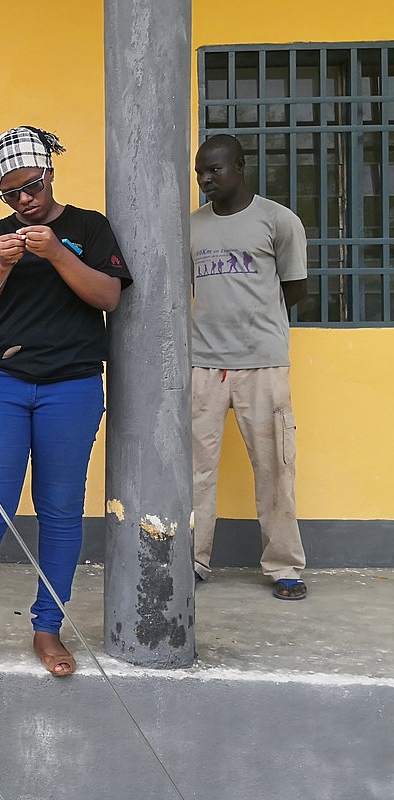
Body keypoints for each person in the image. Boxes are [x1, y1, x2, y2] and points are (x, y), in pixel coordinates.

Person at [0, 127, 131, 677]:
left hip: (71, 385)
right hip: (1, 382)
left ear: (50, 173)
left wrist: (55, 253)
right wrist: (1, 263)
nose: (23, 200)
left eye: (31, 186)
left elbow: (108, 296)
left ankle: (48, 628)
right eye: (10, 193)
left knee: (60, 510)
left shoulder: (87, 228)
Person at [190, 133, 309, 600]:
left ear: (240, 167)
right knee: (196, 471)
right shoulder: (192, 226)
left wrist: (256, 324)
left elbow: (294, 289)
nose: (205, 179)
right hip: (203, 367)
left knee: (275, 467)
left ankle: (284, 566)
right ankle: (193, 560)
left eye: (214, 169)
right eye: (200, 171)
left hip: (263, 366)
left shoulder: (278, 221)